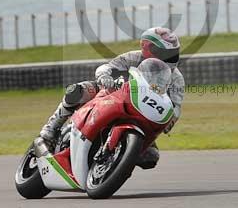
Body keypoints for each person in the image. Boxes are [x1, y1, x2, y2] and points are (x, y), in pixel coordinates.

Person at [38, 27, 185, 169]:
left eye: (172, 53)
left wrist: (169, 120)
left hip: (142, 116)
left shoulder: (176, 78)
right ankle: (51, 128)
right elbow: (108, 67)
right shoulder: (133, 57)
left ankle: (114, 161)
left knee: (150, 157)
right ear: (147, 48)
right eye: (163, 52)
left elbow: (175, 107)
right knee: (77, 91)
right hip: (114, 95)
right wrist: (105, 76)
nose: (168, 57)